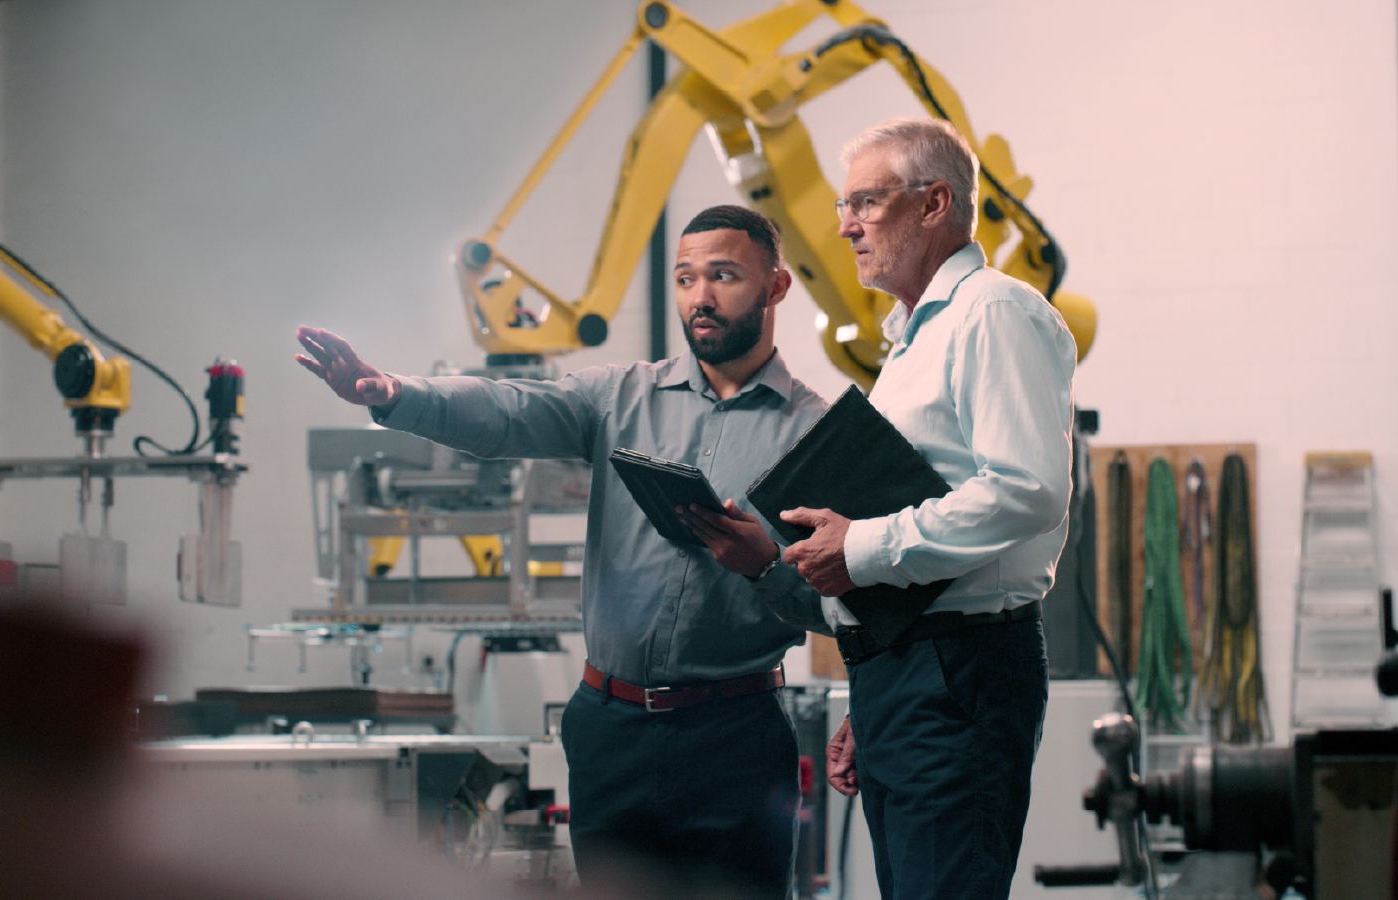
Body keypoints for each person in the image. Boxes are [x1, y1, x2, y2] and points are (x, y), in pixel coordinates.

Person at [295, 205, 830, 899]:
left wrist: (763, 565)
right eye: (685, 278)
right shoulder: (618, 396)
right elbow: (507, 409)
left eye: (724, 276)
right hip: (610, 730)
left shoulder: (817, 433)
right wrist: (398, 395)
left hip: (735, 734)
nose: (700, 297)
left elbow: (842, 603)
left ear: (776, 287)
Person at [781, 118, 1076, 900]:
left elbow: (1029, 488)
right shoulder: (914, 337)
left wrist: (863, 548)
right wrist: (869, 700)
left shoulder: (992, 314)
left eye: (866, 203)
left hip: (960, 670)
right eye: (845, 205)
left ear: (935, 202)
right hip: (913, 672)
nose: (845, 225)